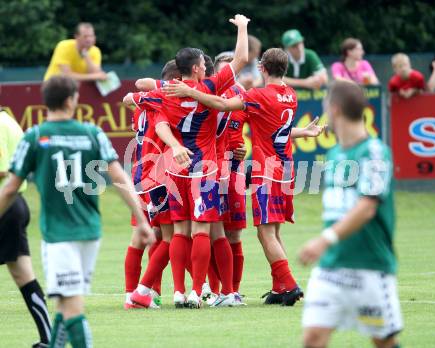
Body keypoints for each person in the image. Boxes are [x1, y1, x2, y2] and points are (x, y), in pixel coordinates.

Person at [0, 76, 154, 348]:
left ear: (45, 102)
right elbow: (120, 178)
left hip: (59, 235)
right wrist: (141, 219)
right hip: (91, 231)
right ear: (72, 100)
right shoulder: (93, 134)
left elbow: (11, 187)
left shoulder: (36, 136)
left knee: (72, 307)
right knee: (64, 302)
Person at [164, 47, 325, 306]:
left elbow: (222, 104)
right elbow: (276, 129)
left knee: (264, 233)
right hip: (286, 169)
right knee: (273, 231)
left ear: (262, 68)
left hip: (266, 171)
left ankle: (290, 284)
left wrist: (191, 91)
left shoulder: (257, 96)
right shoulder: (290, 95)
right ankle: (279, 286)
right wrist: (304, 133)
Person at [124, 14, 250, 309]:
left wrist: (173, 142)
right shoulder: (210, 88)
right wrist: (242, 26)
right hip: (204, 167)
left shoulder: (165, 92)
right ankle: (197, 291)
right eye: (204, 65)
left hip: (173, 168)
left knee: (178, 231)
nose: (207, 67)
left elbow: (134, 100)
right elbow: (242, 58)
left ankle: (177, 292)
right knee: (202, 231)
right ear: (196, 68)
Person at [298, 80, 403, 348]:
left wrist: (325, 240)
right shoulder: (334, 154)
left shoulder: (375, 152)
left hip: (370, 267)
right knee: (312, 339)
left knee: (384, 342)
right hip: (331, 268)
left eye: (324, 106)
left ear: (334, 110)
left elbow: (368, 207)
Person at [123, 60, 182, 310]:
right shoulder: (164, 102)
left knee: (144, 236)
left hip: (140, 175)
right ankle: (142, 292)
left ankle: (135, 294)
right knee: (169, 236)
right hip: (158, 176)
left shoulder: (143, 106)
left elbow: (129, 97)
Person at [0, 109, 52, 348]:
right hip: (16, 205)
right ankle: (48, 338)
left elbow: (3, 170)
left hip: (4, 203)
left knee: (23, 274)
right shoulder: (10, 121)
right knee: (23, 275)